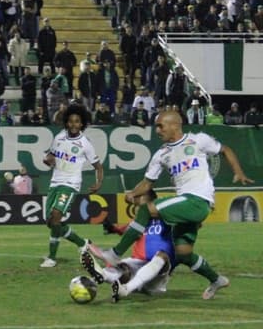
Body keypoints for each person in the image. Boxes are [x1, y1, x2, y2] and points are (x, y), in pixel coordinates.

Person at [85, 111, 254, 299]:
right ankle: (216, 279)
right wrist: (133, 193)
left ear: (175, 124)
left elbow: (225, 150)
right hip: (187, 202)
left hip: (197, 199)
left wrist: (238, 171)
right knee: (183, 253)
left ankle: (115, 254)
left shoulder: (198, 140)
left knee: (147, 209)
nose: (157, 130)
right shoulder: (161, 154)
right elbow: (148, 183)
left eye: (160, 125)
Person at [82, 190, 178, 303]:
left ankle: (121, 286)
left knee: (162, 256)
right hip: (137, 267)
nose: (136, 207)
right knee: (123, 267)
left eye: (138, 203)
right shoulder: (137, 223)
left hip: (156, 277)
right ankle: (102, 275)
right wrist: (112, 228)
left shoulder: (167, 218)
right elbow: (124, 230)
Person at [40, 104, 104, 268]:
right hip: (55, 182)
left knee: (56, 215)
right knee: (51, 222)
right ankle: (82, 243)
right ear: (67, 123)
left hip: (71, 183)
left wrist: (98, 183)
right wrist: (48, 160)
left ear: (82, 124)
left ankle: (52, 258)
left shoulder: (85, 143)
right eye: (71, 121)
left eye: (77, 121)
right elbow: (51, 156)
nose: (74, 124)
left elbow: (98, 166)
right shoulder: (59, 137)